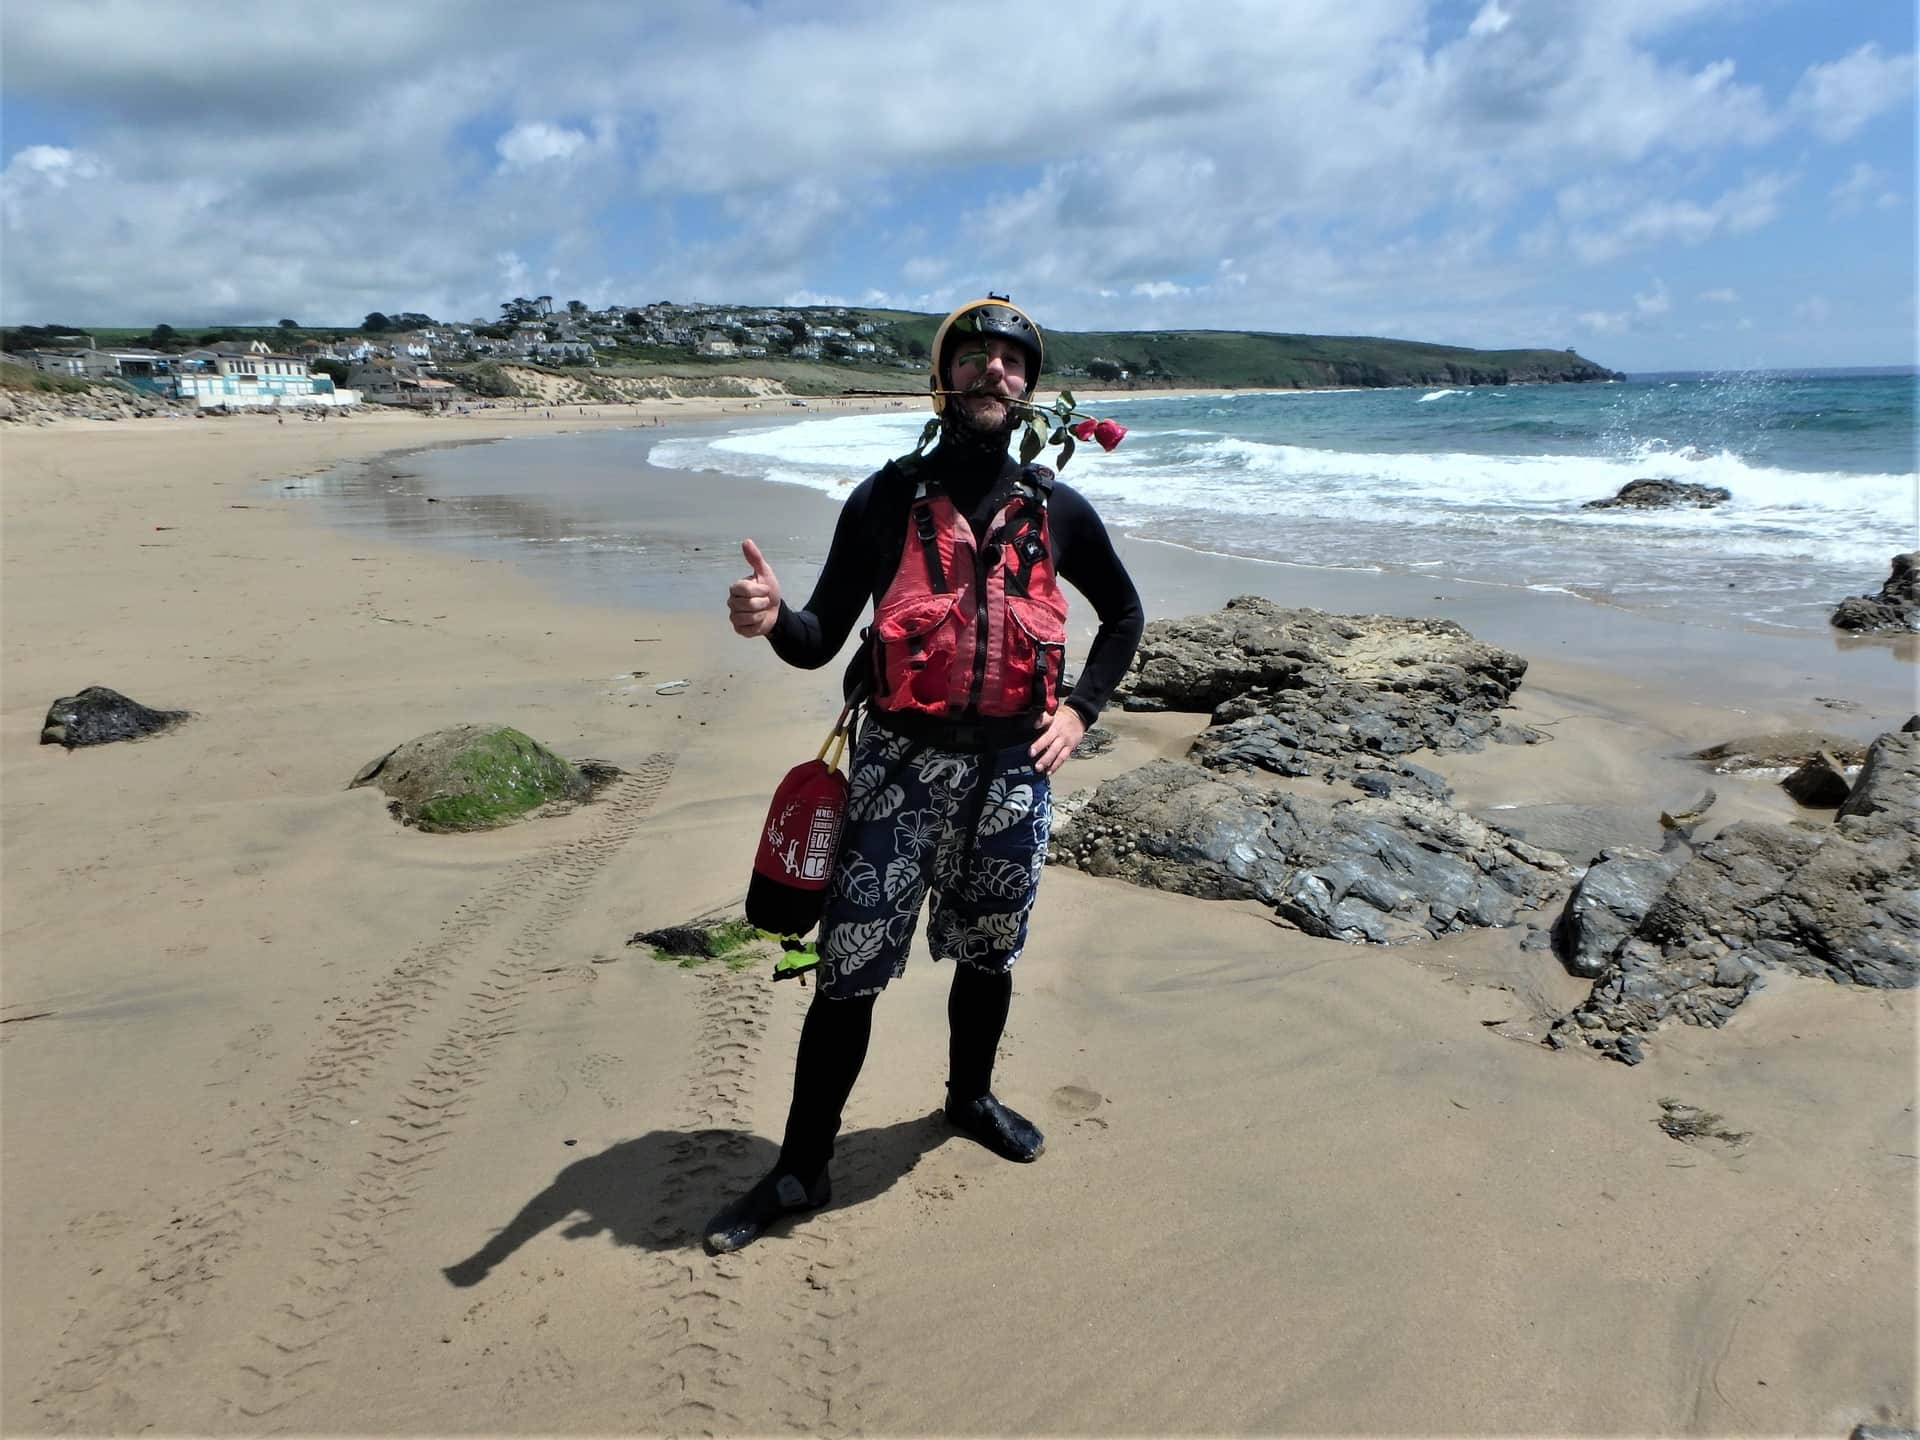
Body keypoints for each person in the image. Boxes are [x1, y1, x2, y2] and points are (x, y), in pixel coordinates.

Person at [708, 296, 1144, 1254]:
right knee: (849, 972)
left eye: (1014, 362)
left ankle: (969, 1099)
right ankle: (799, 1164)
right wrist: (771, 616)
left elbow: (1124, 616)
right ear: (941, 378)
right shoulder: (883, 502)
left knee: (990, 952)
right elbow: (818, 640)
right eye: (976, 357)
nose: (996, 372)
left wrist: (1079, 712)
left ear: (1031, 389)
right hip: (898, 770)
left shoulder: (1059, 510)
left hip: (1013, 775)